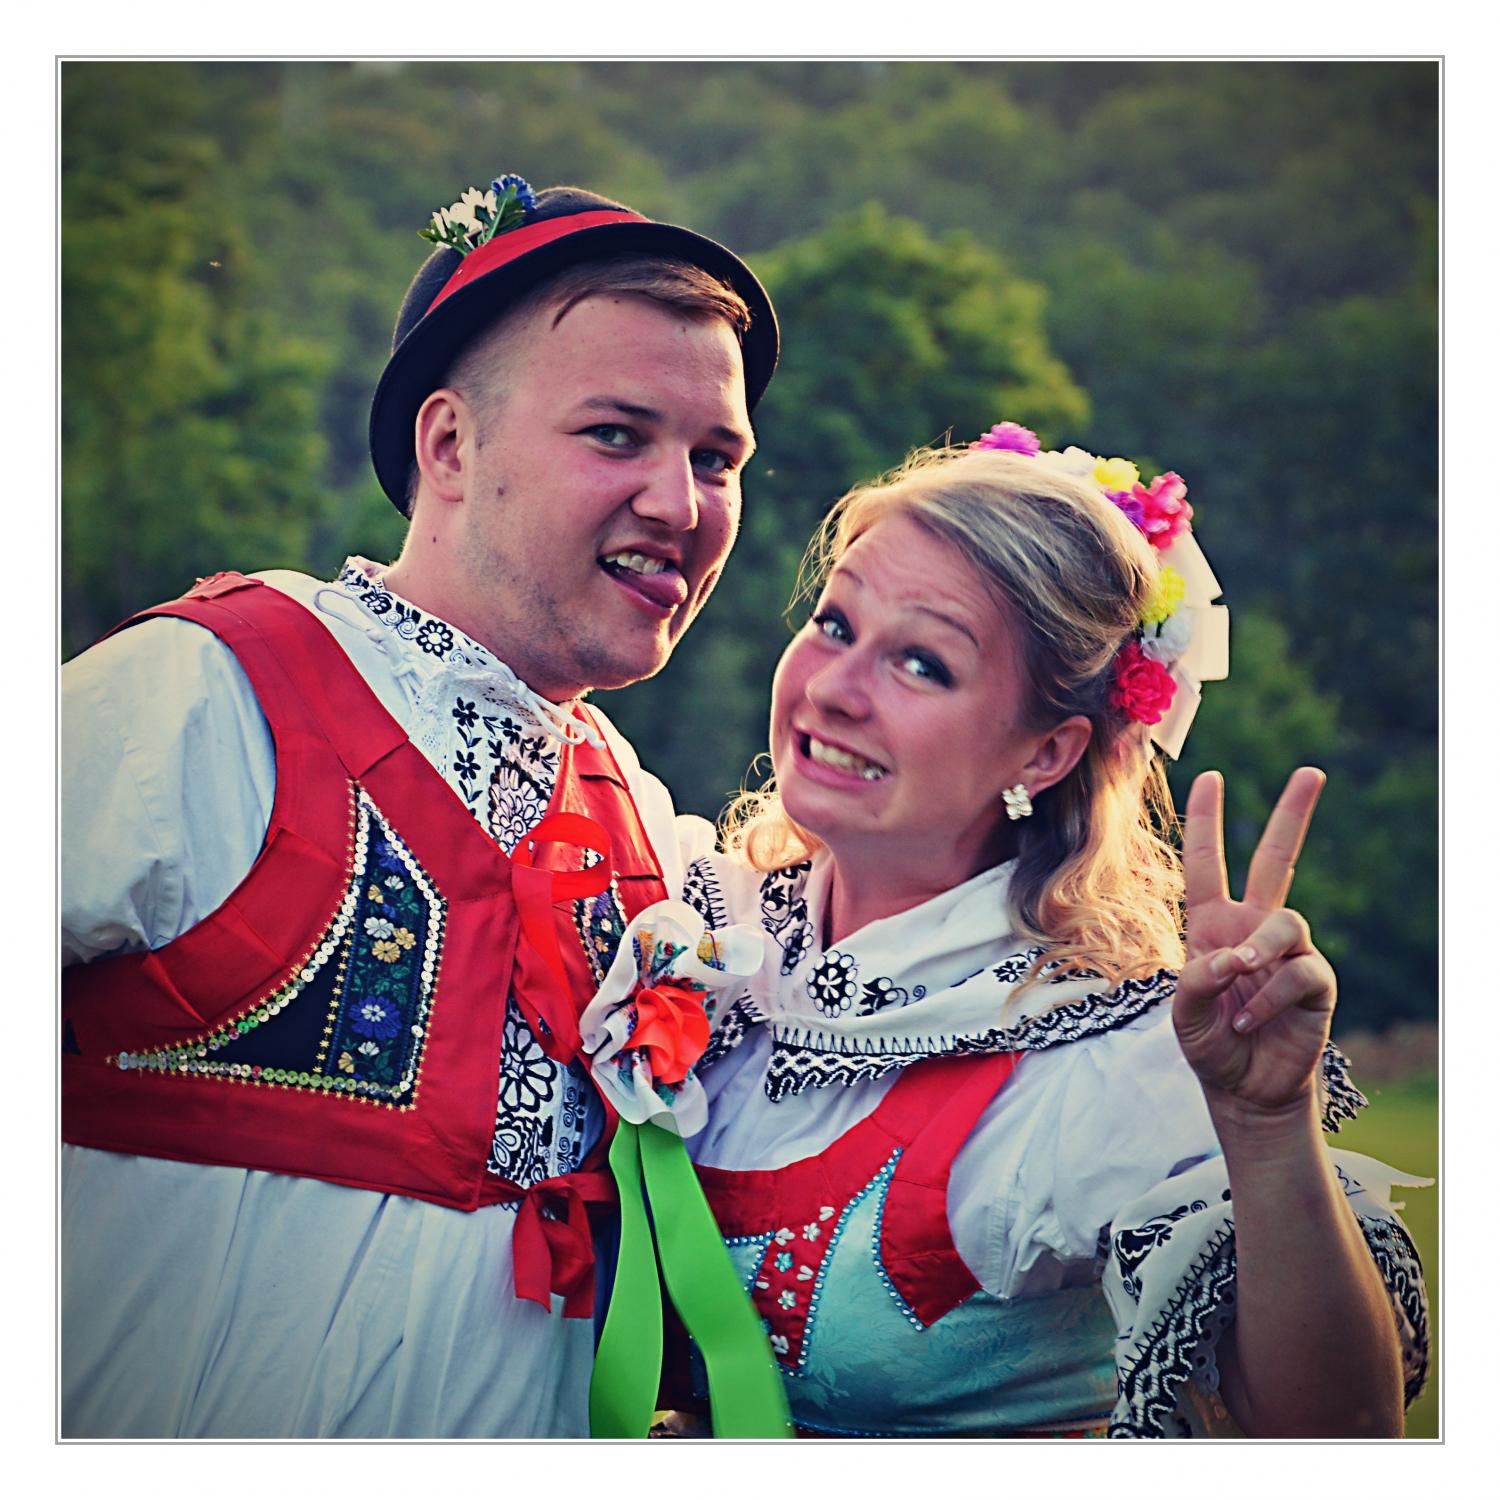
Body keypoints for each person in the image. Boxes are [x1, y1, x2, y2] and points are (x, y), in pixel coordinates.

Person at [59, 175, 778, 1438]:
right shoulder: (205, 694)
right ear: (449, 446)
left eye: (715, 459)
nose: (681, 504)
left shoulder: (650, 832)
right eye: (618, 436)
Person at [585, 430, 1429, 1437]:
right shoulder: (699, 925)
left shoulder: (1112, 1059)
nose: (833, 688)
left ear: (1045, 754)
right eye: (835, 622)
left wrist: (1265, 1126)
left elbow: (1335, 1439)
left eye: (922, 663)